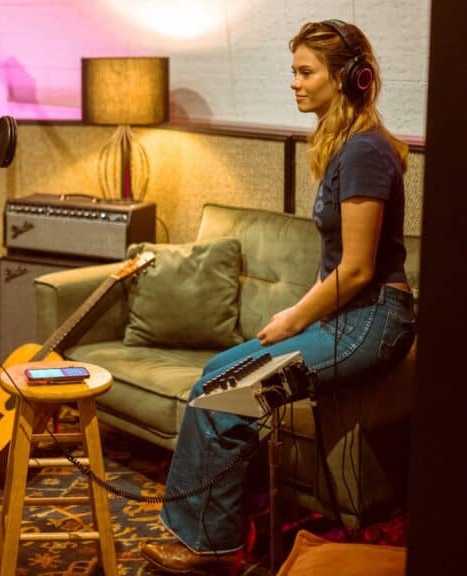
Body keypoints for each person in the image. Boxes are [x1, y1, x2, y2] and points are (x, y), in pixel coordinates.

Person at [140, 20, 416, 575]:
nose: (294, 82)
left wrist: (293, 318)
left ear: (346, 78)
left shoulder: (363, 152)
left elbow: (359, 268)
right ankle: (230, 528)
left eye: (305, 71)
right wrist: (301, 316)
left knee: (224, 390)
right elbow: (339, 267)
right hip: (355, 316)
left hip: (373, 321)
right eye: (294, 70)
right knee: (221, 378)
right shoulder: (346, 146)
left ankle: (210, 551)